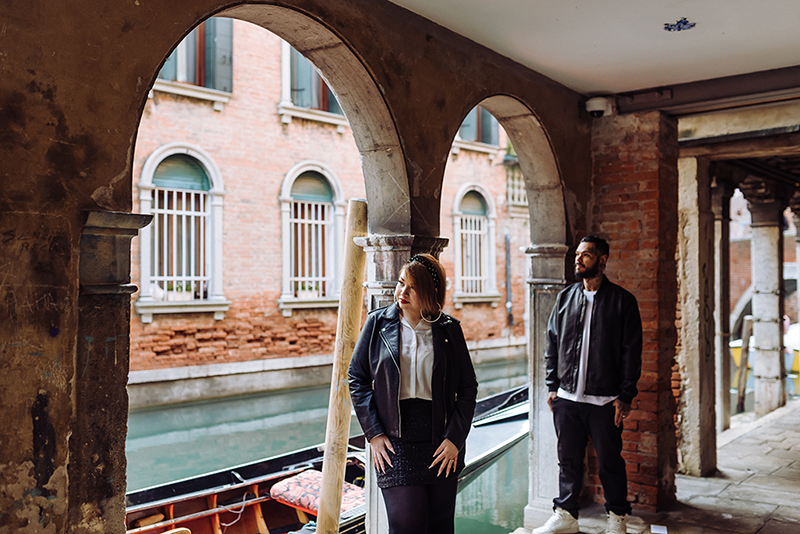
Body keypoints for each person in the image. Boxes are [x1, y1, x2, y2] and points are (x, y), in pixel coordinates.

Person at [348, 254, 478, 534]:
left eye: (412, 287)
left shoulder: (449, 330)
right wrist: (374, 433)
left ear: (430, 293)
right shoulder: (376, 324)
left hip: (441, 440)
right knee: (406, 524)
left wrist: (455, 438)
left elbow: (468, 387)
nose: (402, 292)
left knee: (440, 526)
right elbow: (356, 378)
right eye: (400, 283)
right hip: (395, 440)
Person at [533, 236, 642, 534]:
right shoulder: (566, 297)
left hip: (605, 401)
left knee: (610, 462)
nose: (578, 260)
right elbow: (552, 344)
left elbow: (632, 352)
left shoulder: (623, 302)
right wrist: (552, 386)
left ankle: (617, 518)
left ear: (603, 260)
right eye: (577, 255)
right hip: (567, 399)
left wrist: (625, 396)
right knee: (568, 460)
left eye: (586, 255)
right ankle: (566, 514)